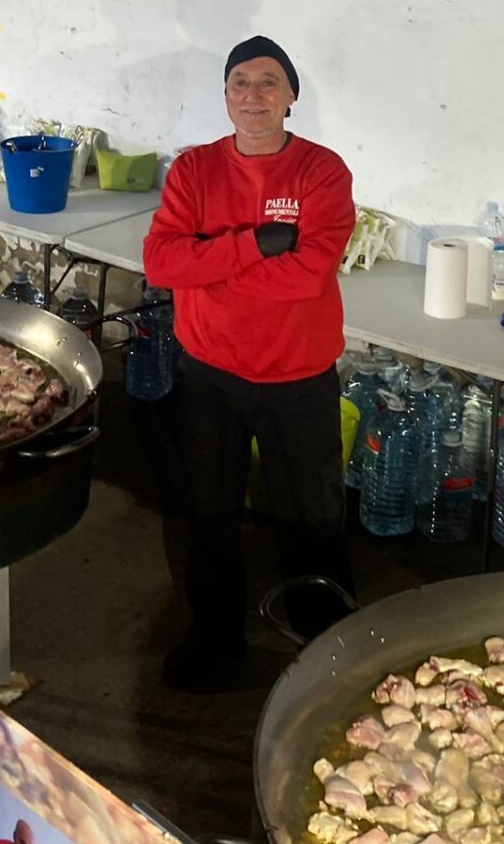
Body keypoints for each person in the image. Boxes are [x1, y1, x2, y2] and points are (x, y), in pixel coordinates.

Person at [142, 36, 358, 691]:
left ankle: (325, 650)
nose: (254, 96)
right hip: (210, 374)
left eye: (269, 83)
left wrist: (208, 268)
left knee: (313, 522)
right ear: (226, 96)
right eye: (240, 82)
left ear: (292, 97)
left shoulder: (322, 173)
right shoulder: (194, 171)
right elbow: (159, 264)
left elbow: (308, 274)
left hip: (298, 375)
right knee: (208, 516)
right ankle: (215, 639)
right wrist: (256, 245)